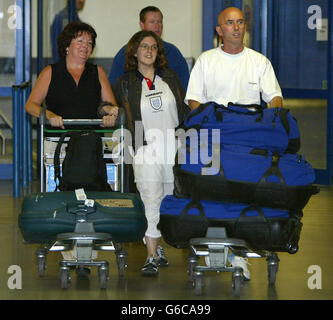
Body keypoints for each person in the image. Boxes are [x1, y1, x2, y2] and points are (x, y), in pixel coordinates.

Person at [185, 7, 283, 280]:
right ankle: (216, 244)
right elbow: (194, 100)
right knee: (213, 194)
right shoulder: (206, 61)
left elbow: (275, 98)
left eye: (240, 22)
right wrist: (213, 121)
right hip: (215, 140)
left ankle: (239, 257)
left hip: (248, 142)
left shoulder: (259, 62)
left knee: (244, 196)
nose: (236, 27)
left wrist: (267, 119)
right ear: (219, 30)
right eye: (230, 23)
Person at [25, 21, 118, 277]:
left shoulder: (96, 72)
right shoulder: (51, 72)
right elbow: (31, 105)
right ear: (67, 46)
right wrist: (49, 113)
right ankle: (72, 253)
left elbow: (106, 104)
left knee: (92, 194)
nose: (85, 47)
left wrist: (110, 111)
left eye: (89, 43)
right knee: (66, 195)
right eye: (80, 42)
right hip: (59, 145)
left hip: (88, 143)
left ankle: (87, 254)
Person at [112, 30, 190, 276]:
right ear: (134, 51)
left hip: (173, 144)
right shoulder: (124, 83)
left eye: (153, 47)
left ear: (158, 52)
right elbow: (113, 109)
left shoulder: (171, 77)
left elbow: (184, 109)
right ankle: (151, 255)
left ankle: (159, 245)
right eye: (144, 46)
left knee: (170, 198)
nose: (149, 51)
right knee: (150, 198)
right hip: (144, 147)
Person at [109, 6, 190, 91]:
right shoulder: (126, 52)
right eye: (152, 22)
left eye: (159, 22)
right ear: (142, 25)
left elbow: (184, 85)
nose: (157, 26)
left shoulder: (172, 52)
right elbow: (114, 87)